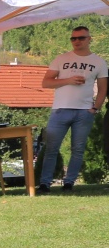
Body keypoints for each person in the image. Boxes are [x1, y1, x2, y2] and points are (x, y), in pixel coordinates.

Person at [39, 26, 107, 191]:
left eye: (81, 38)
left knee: (78, 149)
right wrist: (68, 80)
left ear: (89, 39)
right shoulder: (61, 59)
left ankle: (69, 182)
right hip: (60, 109)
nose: (77, 41)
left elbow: (103, 89)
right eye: (73, 38)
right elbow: (46, 82)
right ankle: (45, 183)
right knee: (51, 148)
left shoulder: (99, 62)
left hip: (84, 111)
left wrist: (95, 108)